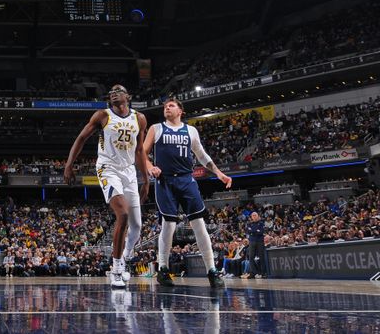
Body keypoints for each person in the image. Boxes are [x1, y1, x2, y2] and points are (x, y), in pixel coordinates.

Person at [64, 84, 149, 288]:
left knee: (137, 226)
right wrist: (69, 165)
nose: (113, 93)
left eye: (118, 90)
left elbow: (139, 150)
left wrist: (145, 179)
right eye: (111, 92)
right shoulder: (102, 115)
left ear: (127, 96)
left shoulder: (140, 118)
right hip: (108, 168)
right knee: (123, 215)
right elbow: (82, 138)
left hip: (129, 171)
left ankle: (126, 256)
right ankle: (117, 269)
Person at [143, 98, 232, 288]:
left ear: (180, 111)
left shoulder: (190, 131)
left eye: (171, 105)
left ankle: (212, 271)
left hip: (186, 179)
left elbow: (201, 155)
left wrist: (218, 173)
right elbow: (142, 153)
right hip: (165, 180)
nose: (167, 108)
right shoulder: (156, 128)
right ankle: (163, 269)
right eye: (165, 106)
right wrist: (150, 166)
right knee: (169, 225)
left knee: (199, 224)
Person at [245, 211, 267, 279]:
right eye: (253, 215)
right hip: (251, 242)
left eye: (255, 215)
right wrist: (256, 231)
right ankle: (254, 272)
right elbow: (248, 231)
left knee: (261, 257)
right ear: (251, 217)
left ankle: (263, 273)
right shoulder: (249, 224)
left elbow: (261, 232)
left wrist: (253, 231)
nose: (254, 217)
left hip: (260, 241)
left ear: (258, 216)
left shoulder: (261, 223)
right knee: (251, 257)